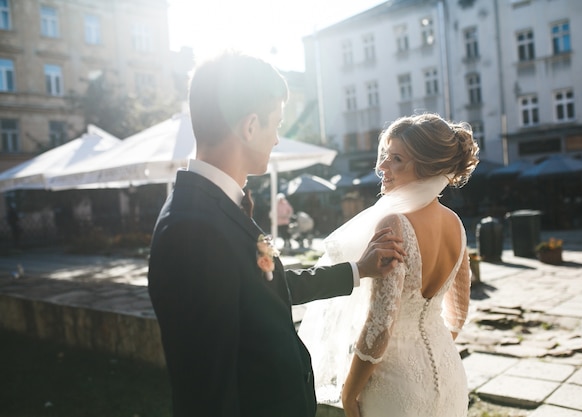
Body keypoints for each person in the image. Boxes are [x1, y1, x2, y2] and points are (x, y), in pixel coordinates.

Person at [147, 51, 406, 417]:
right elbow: (206, 390)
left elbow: (272, 284)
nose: (277, 140)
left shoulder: (219, 207)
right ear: (251, 126)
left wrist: (358, 269)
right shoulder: (192, 228)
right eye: (276, 125)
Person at [298, 113, 479, 417]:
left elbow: (380, 325)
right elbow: (458, 313)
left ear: (426, 167)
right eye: (385, 156)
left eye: (396, 159)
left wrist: (349, 394)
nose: (382, 167)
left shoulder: (394, 224)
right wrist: (431, 346)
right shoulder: (456, 225)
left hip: (397, 386)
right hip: (450, 374)